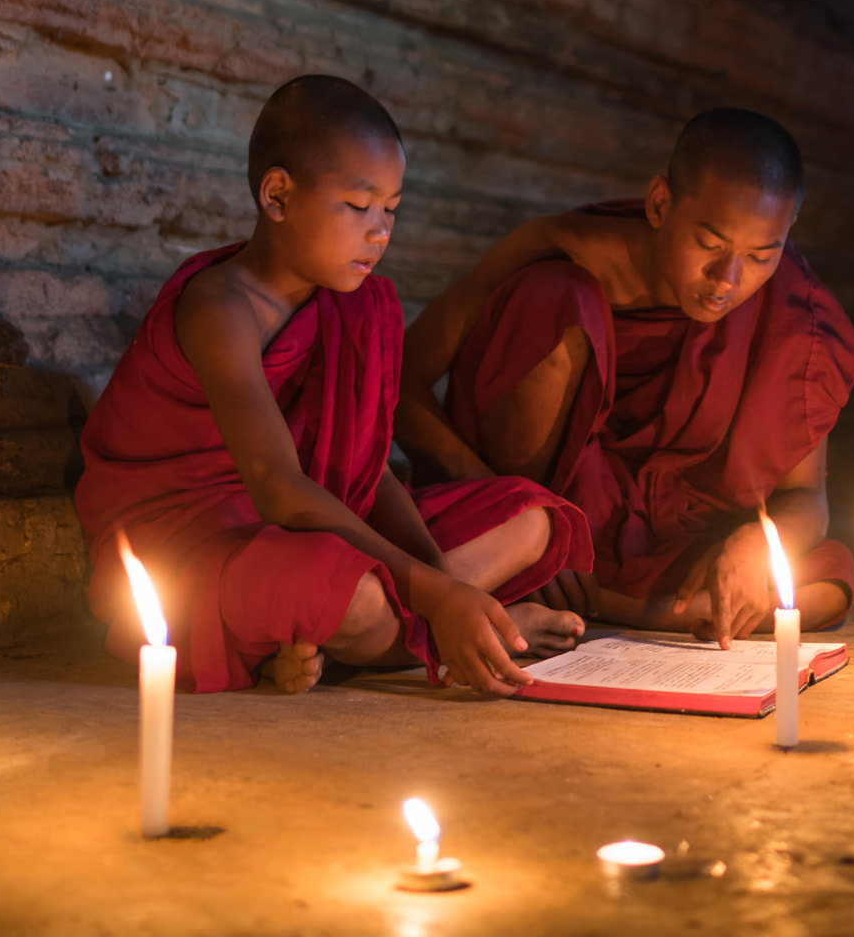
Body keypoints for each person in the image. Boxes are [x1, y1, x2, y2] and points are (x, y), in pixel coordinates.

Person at [76, 76, 592, 695]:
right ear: (277, 196)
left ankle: (372, 640)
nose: (380, 232)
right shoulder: (220, 308)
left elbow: (364, 469)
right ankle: (459, 631)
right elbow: (277, 490)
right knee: (349, 596)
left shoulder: (352, 306)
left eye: (392, 210)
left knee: (529, 517)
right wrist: (437, 596)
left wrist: (440, 585)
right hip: (197, 542)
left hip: (314, 523)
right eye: (357, 205)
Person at [396, 107, 854, 645]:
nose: (727, 281)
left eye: (761, 255)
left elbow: (809, 498)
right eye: (710, 245)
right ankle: (548, 573)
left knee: (829, 576)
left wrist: (757, 546)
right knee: (555, 299)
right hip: (556, 499)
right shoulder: (567, 247)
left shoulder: (794, 313)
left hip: (679, 529)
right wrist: (519, 515)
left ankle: (620, 604)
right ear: (660, 203)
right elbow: (401, 383)